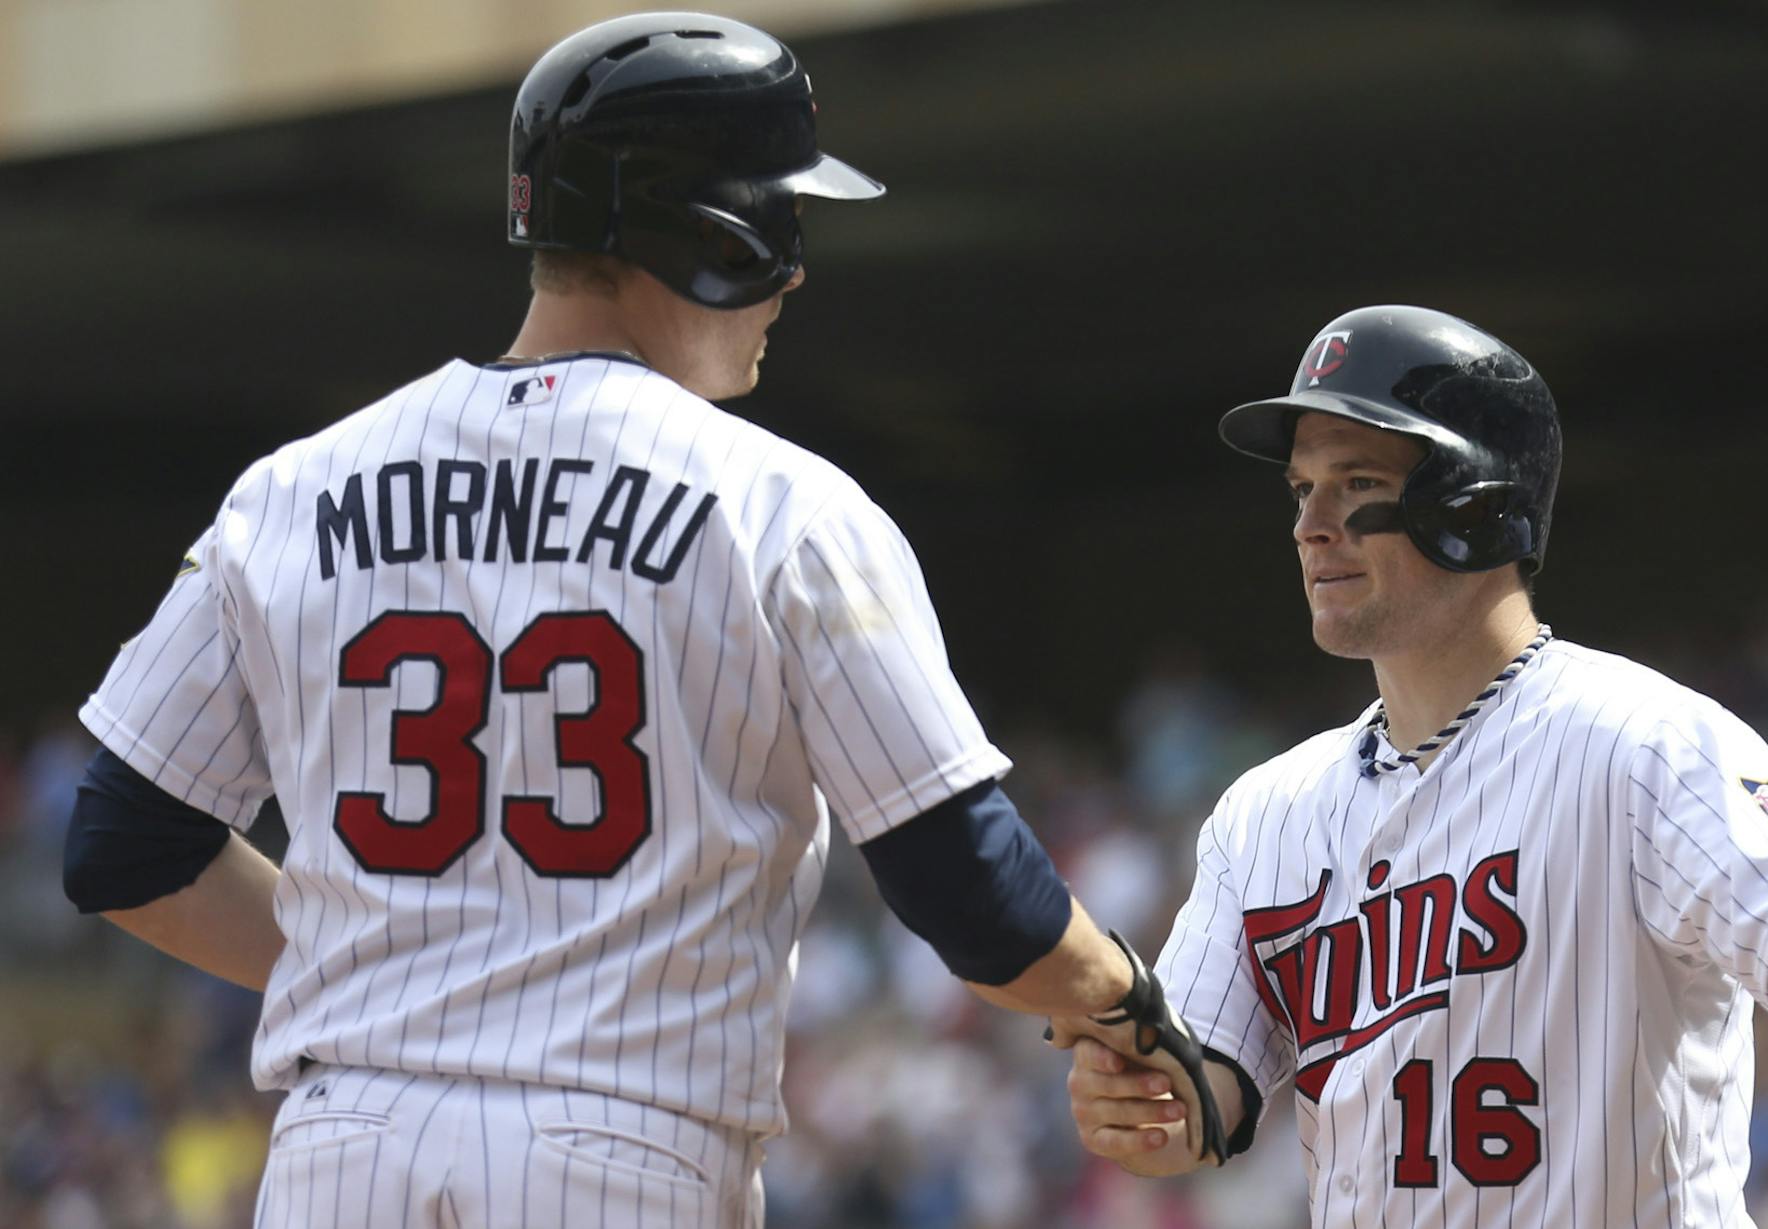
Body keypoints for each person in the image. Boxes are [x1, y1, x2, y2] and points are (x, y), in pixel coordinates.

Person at [60, 14, 1218, 1228]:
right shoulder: (781, 507)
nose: (795, 271)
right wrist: (1130, 1004)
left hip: (337, 1154)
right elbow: (968, 883)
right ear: (714, 230)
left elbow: (125, 845)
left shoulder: (293, 490)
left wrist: (391, 970)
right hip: (617, 1148)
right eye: (784, 218)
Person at [1058, 305, 1768, 1225]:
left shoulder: (1635, 738)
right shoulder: (1262, 816)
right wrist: (1134, 1098)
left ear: (1471, 503)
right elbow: (1194, 1101)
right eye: (1302, 488)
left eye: (1355, 482)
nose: (1310, 524)